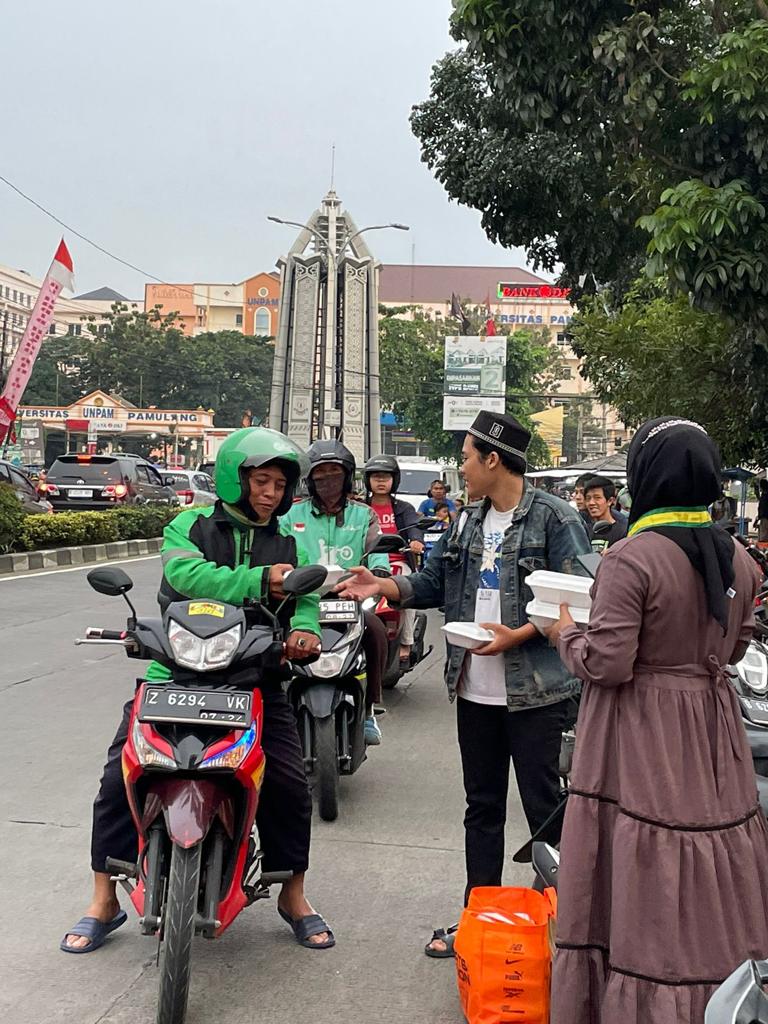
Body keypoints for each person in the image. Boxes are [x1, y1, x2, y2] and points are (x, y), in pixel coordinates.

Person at [61, 427, 334, 954]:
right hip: (176, 674)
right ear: (235, 477)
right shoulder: (190, 524)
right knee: (120, 777)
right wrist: (258, 582)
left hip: (254, 677)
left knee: (286, 785)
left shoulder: (289, 542)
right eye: (261, 480)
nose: (270, 492)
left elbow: (304, 597)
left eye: (279, 483)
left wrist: (306, 630)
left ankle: (293, 893)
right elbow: (185, 575)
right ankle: (104, 899)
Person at [336, 411, 591, 957]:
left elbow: (579, 597)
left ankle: (560, 928)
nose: (463, 467)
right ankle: (480, 919)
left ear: (493, 459)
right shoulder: (468, 521)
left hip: (538, 692)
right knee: (482, 807)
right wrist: (382, 582)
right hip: (475, 687)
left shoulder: (555, 518)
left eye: (468, 457)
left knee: (545, 806)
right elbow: (433, 581)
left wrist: (518, 634)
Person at [546, 417, 768, 1024]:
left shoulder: (631, 557)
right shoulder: (740, 559)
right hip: (712, 730)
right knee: (708, 857)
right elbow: (739, 648)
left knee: (641, 856)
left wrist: (564, 632)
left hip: (639, 727)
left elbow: (607, 663)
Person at [281, 440, 390, 746]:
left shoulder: (364, 515)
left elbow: (377, 553)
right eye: (321, 473)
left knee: (377, 632)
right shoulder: (290, 514)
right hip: (302, 599)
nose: (327, 480)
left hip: (349, 599)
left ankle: (369, 708)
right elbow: (279, 553)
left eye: (335, 473)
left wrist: (379, 574)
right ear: (309, 479)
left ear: (347, 477)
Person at [363, 454, 424, 664]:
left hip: (397, 562)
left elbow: (414, 527)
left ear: (394, 480)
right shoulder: (358, 507)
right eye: (376, 477)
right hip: (363, 563)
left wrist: (416, 541)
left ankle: (406, 642)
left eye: (386, 477)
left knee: (407, 590)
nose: (381, 481)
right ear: (367, 480)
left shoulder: (403, 508)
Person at [584, 475, 627, 552]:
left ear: (610, 501)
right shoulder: (584, 531)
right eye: (588, 498)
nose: (591, 503)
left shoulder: (623, 532)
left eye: (597, 498)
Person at [756, 479, 768, 545]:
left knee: (763, 539)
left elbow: (762, 507)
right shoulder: (764, 494)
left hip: (765, 518)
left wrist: (759, 516)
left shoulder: (765, 495)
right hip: (764, 517)